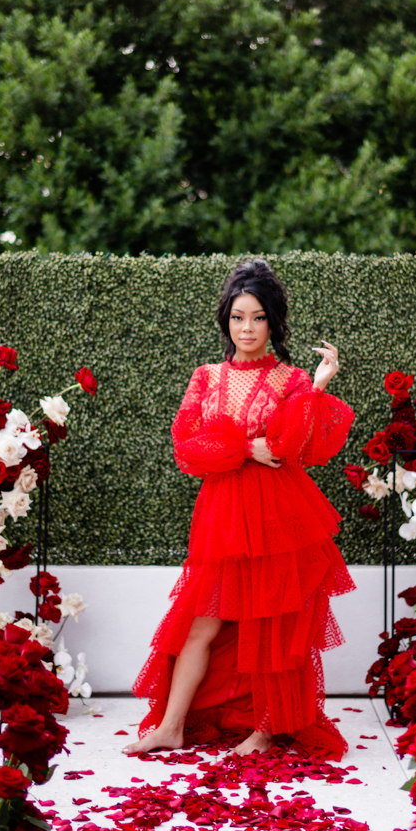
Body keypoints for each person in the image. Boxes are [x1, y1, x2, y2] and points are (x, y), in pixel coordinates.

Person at [126, 259, 356, 759]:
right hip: (223, 515)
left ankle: (267, 728)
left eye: (256, 317)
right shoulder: (206, 377)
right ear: (225, 321)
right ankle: (171, 725)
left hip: (277, 514)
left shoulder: (291, 378)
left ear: (272, 321)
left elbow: (290, 446)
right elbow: (187, 447)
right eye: (237, 317)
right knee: (199, 623)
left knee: (269, 625)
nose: (246, 328)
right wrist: (245, 449)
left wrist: (317, 387)